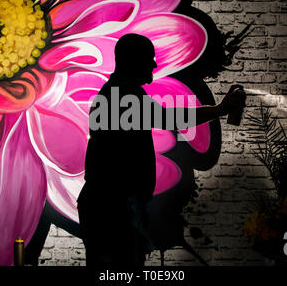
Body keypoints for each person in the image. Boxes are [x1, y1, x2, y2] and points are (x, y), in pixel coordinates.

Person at [77, 33, 245, 267]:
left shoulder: (118, 93)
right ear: (133, 60)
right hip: (113, 209)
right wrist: (219, 110)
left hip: (107, 206)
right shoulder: (124, 96)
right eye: (149, 58)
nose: (154, 64)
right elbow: (171, 118)